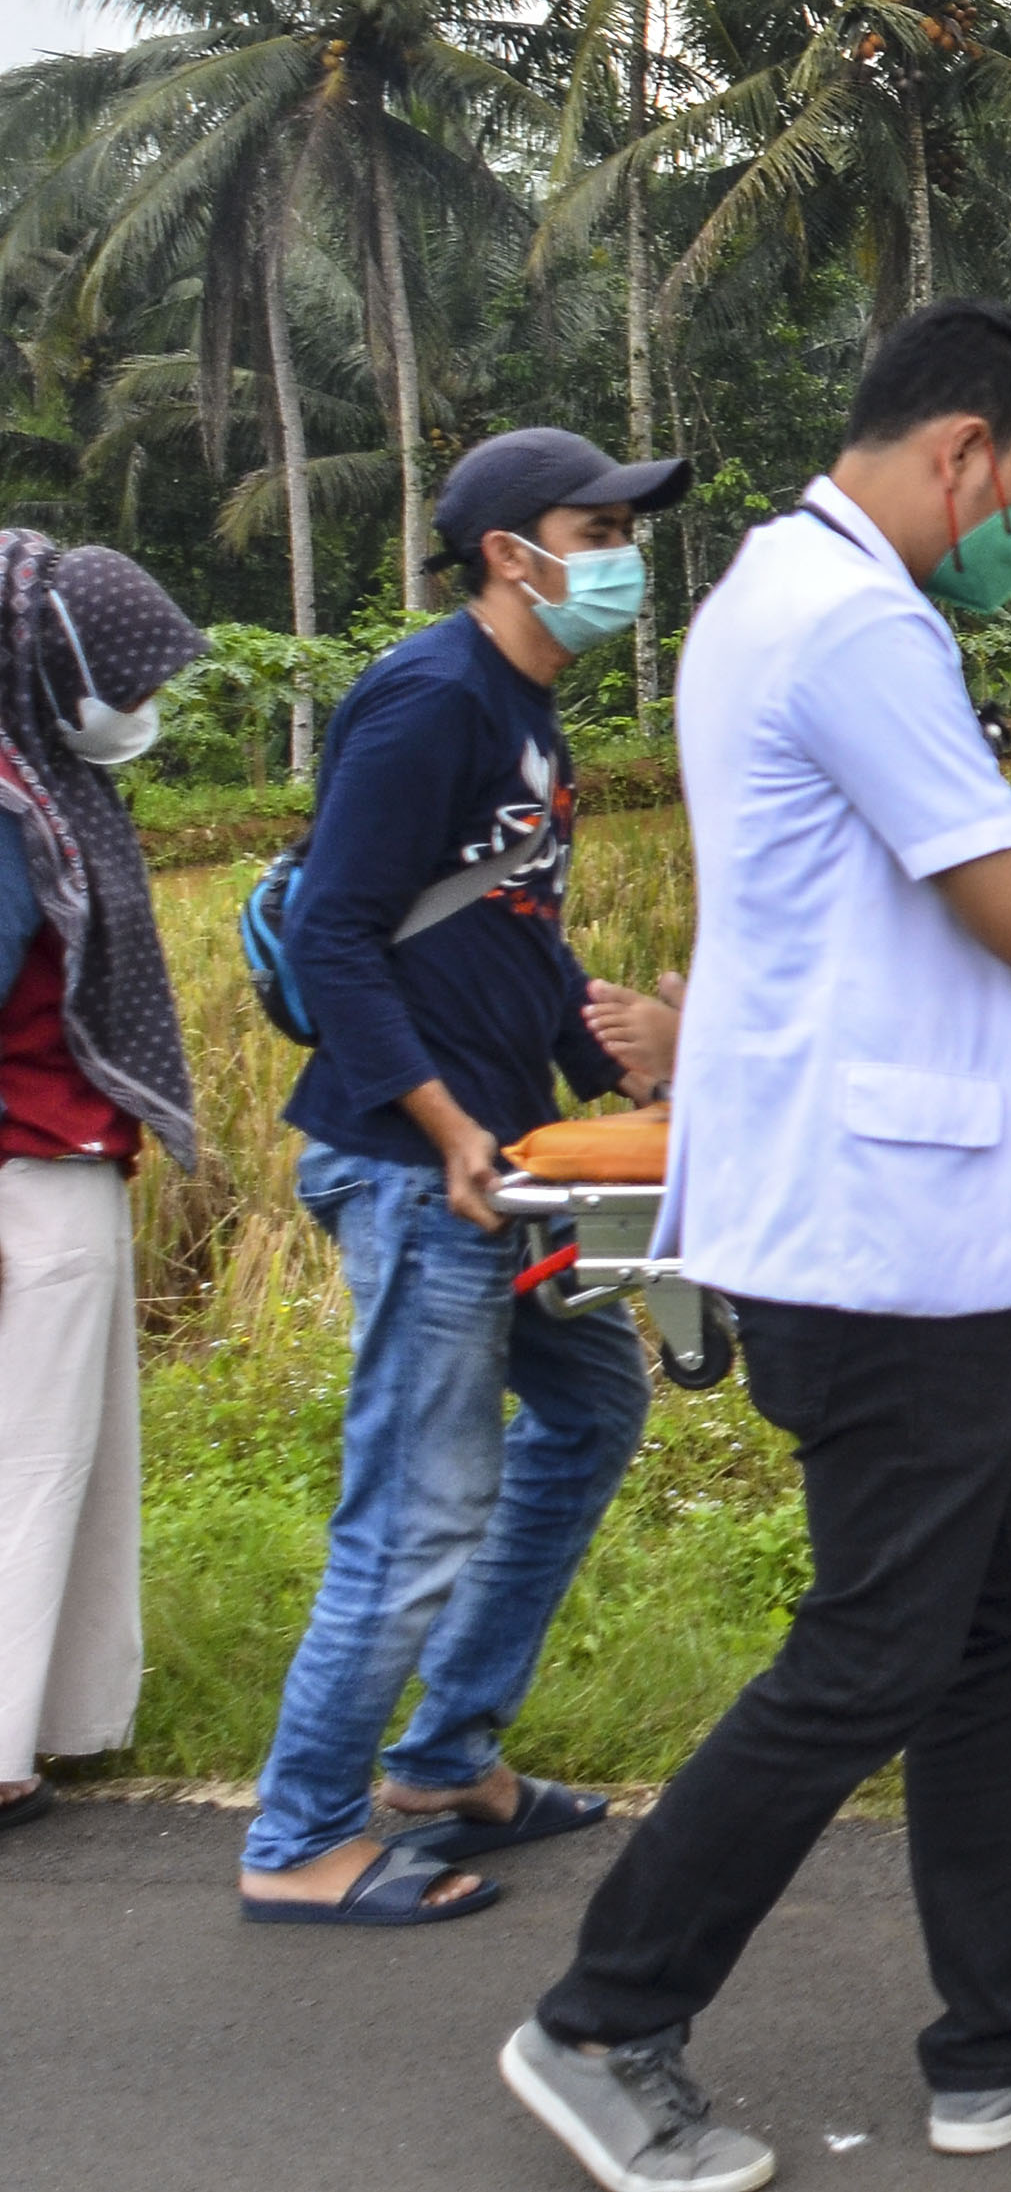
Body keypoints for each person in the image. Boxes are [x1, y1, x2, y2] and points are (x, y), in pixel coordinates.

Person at [502, 301, 1011, 2192]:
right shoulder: (859, 622)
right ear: (962, 449)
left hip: (927, 1216)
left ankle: (996, 2036)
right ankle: (605, 2014)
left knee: (991, 1628)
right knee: (875, 1648)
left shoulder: (772, 596)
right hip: (871, 1235)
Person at [238, 429, 693, 1927]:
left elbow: (507, 927)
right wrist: (442, 1128)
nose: (625, 545)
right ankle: (301, 1836)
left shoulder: (529, 714)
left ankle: (442, 1762)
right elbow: (336, 935)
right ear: (513, 551)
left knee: (592, 1405)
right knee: (420, 1502)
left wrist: (609, 1050)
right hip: (414, 1166)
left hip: (504, 1153)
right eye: (598, 521)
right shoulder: (436, 697)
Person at [0, 540, 203, 1841]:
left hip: (60, 1159)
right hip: (30, 1168)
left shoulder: (48, 788)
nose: (140, 708)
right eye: (123, 680)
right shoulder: (13, 812)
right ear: (49, 666)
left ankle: (54, 1722)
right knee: (32, 1462)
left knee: (72, 1459)